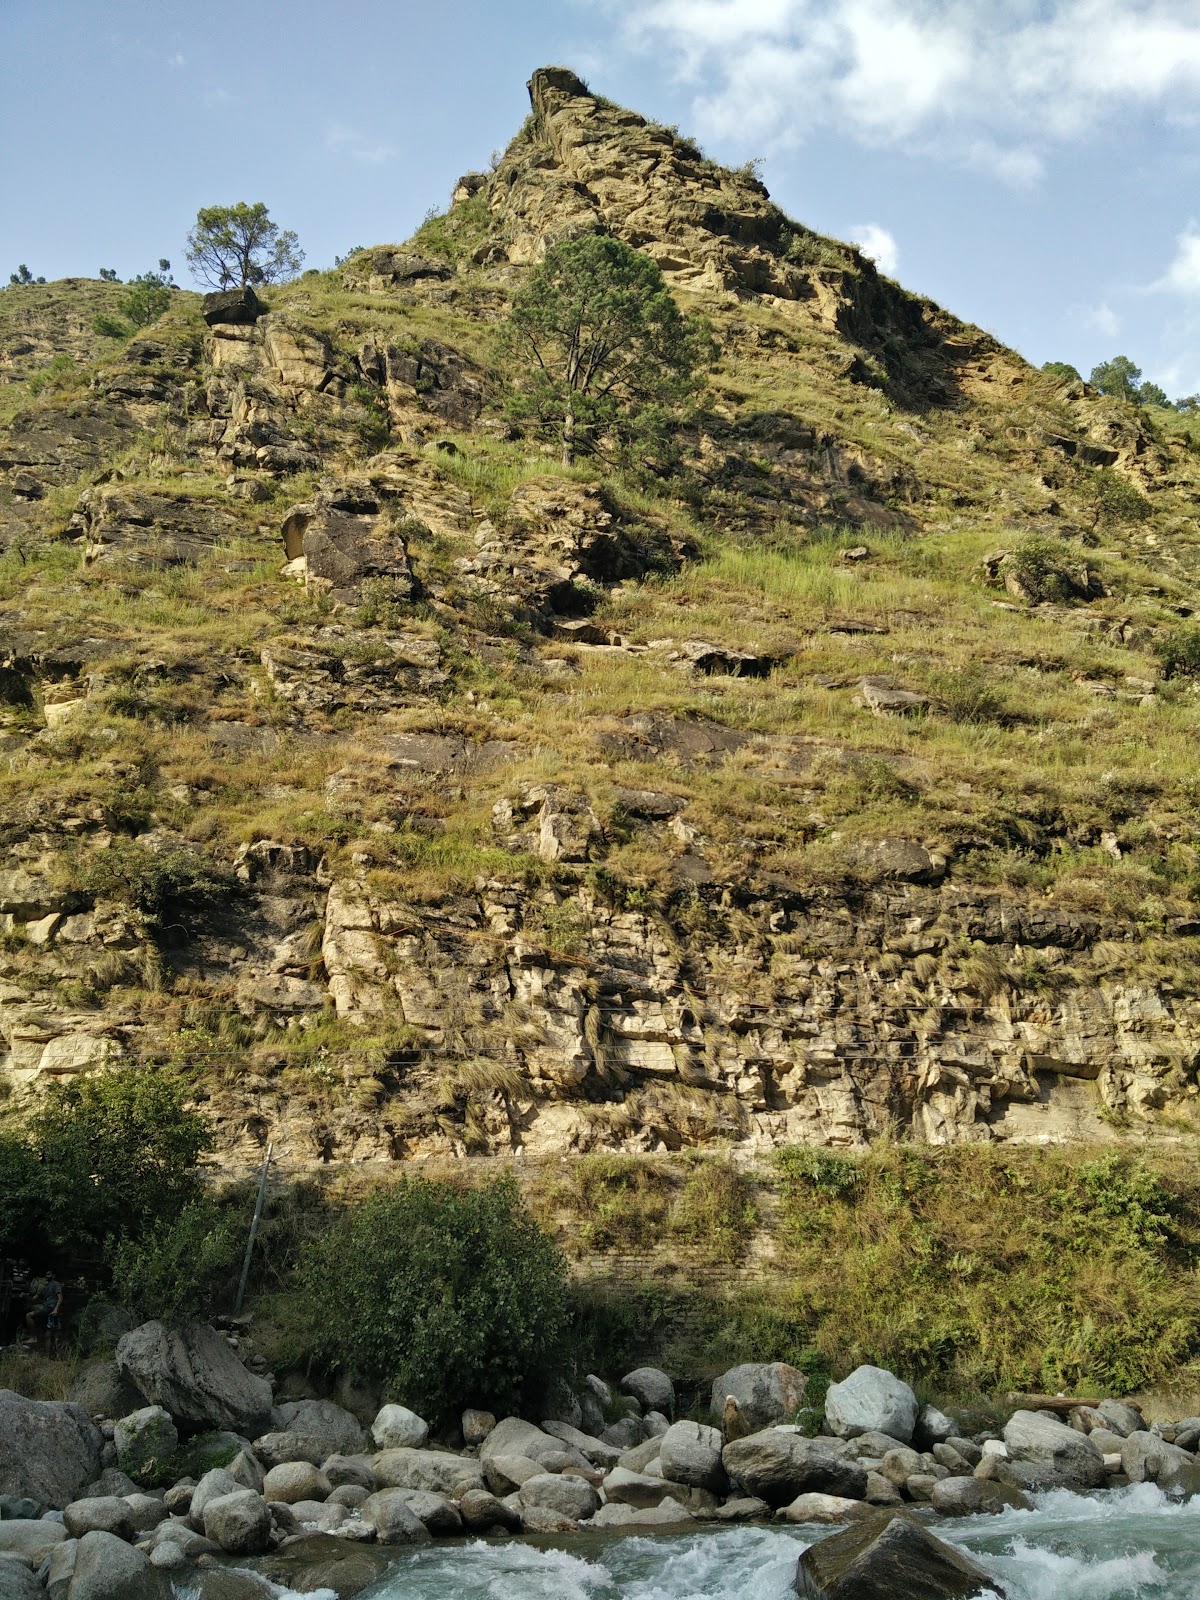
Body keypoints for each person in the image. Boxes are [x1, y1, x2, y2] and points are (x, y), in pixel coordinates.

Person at [25, 1268, 63, 1352]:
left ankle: (33, 1337)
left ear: (53, 1276)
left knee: (29, 1316)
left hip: (52, 1308)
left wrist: (56, 1309)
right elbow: (35, 1298)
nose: (46, 1276)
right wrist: (24, 1295)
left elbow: (60, 1298)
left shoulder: (56, 1284)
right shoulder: (45, 1287)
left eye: (49, 1274)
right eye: (46, 1274)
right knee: (47, 1333)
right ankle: (47, 1357)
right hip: (47, 1309)